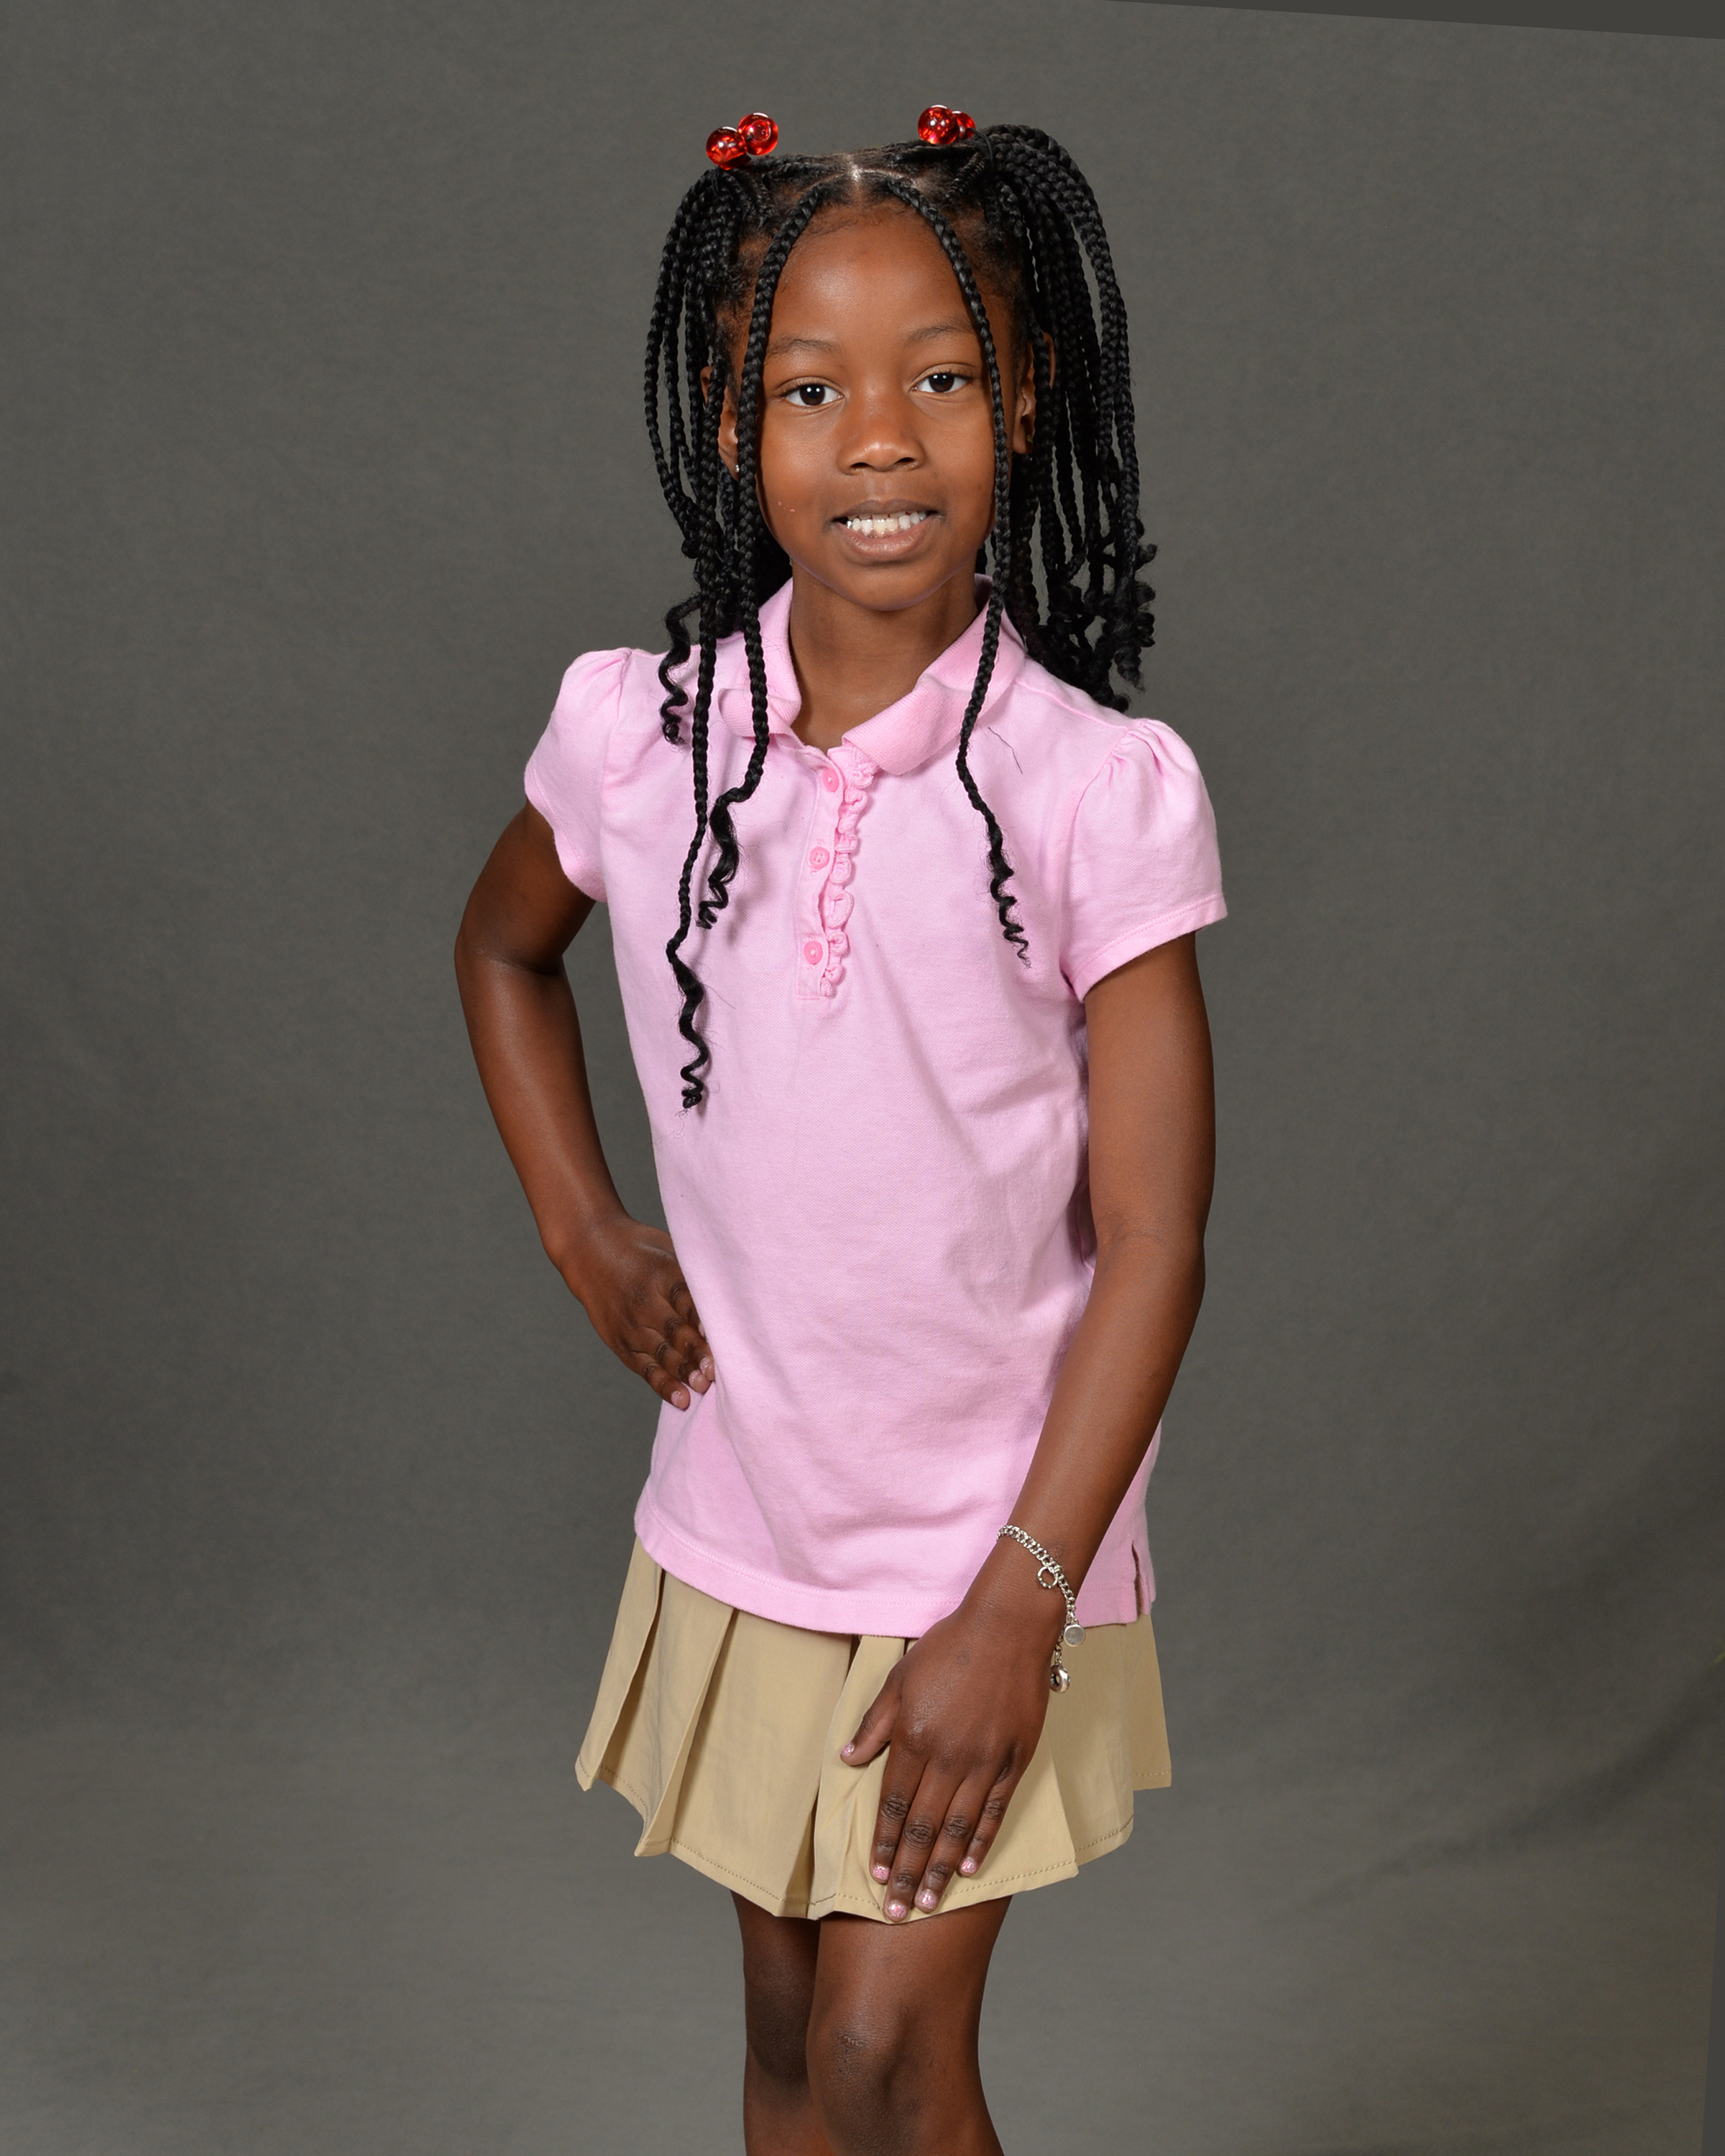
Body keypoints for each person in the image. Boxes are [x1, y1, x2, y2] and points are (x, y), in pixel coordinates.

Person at [455, 109, 1225, 2156]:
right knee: (799, 2051)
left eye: (942, 378)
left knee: (893, 2059)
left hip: (996, 1542)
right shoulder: (645, 739)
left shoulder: (1090, 791)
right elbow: (503, 951)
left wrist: (1023, 1597)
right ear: (734, 424)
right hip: (756, 1521)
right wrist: (586, 1233)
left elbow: (1157, 1241)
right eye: (810, 391)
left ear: (1023, 401)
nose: (880, 439)